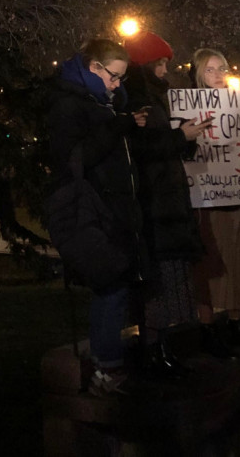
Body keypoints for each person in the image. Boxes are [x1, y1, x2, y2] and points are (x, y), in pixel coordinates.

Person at [44, 36, 144, 395]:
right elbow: (77, 158)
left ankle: (109, 364)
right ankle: (107, 366)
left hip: (108, 209)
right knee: (110, 284)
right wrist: (119, 127)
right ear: (94, 67)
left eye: (121, 79)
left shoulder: (97, 102)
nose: (117, 85)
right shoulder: (70, 105)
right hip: (89, 211)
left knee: (114, 284)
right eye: (114, 77)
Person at [120, 31, 210, 378]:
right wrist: (178, 137)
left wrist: (186, 138)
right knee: (158, 279)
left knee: (171, 276)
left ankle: (164, 346)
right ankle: (152, 349)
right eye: (159, 62)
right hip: (154, 199)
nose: (164, 69)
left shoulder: (159, 96)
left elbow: (163, 143)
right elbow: (141, 147)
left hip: (167, 195)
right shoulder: (136, 99)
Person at [188, 48, 240, 357]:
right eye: (210, 70)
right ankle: (207, 330)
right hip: (209, 198)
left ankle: (236, 324)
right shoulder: (190, 110)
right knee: (211, 266)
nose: (218, 74)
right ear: (198, 76)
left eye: (222, 67)